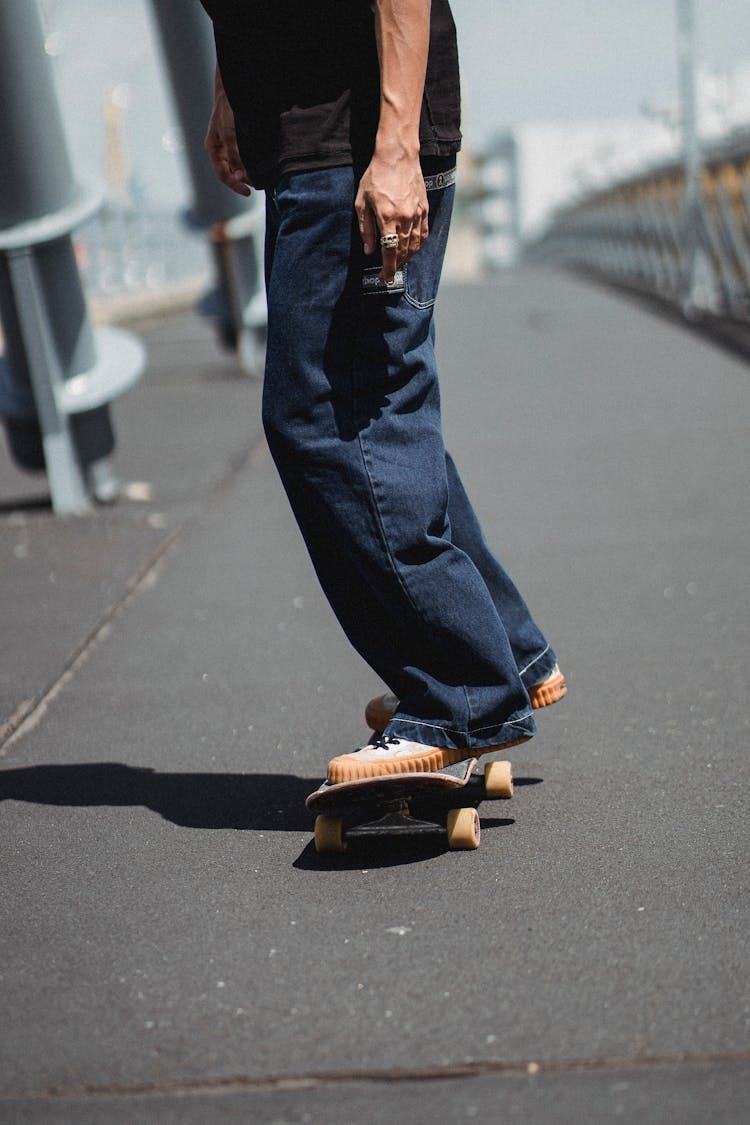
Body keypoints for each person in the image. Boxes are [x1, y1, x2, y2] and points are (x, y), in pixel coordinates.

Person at [200, 0, 566, 784]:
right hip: (312, 139)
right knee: (376, 407)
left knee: (332, 416)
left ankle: (462, 688)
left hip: (358, 139)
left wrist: (396, 148)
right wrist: (231, 89)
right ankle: (504, 647)